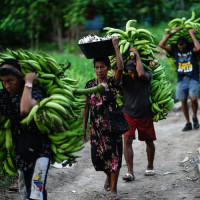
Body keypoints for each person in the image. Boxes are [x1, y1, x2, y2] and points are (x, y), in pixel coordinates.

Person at [0, 58, 51, 200]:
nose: (7, 85)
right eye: (3, 81)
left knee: (37, 193)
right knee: (26, 193)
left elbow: (25, 109)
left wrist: (28, 83)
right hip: (21, 149)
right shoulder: (3, 95)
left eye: (10, 80)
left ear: (20, 77)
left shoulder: (35, 91)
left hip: (41, 149)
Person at [82, 36, 124, 200]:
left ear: (107, 68)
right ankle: (108, 176)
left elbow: (120, 69)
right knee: (97, 160)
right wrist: (84, 128)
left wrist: (116, 47)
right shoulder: (89, 85)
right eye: (97, 67)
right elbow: (86, 107)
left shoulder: (113, 82)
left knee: (114, 157)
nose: (99, 70)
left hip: (112, 126)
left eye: (102, 67)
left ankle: (114, 189)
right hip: (96, 128)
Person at [122, 47, 156, 181]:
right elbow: (117, 74)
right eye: (129, 72)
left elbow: (141, 74)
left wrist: (137, 55)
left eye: (133, 72)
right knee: (127, 140)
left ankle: (150, 166)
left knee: (149, 140)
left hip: (144, 113)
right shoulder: (124, 78)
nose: (132, 75)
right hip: (128, 113)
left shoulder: (147, 75)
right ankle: (130, 172)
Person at [159, 28, 200, 131]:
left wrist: (191, 34)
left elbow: (198, 48)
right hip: (181, 79)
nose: (181, 49)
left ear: (186, 44)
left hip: (193, 78)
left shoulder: (191, 48)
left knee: (194, 99)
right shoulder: (175, 49)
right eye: (179, 47)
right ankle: (188, 122)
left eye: (182, 47)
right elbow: (161, 45)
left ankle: (194, 117)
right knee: (183, 101)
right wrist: (170, 33)